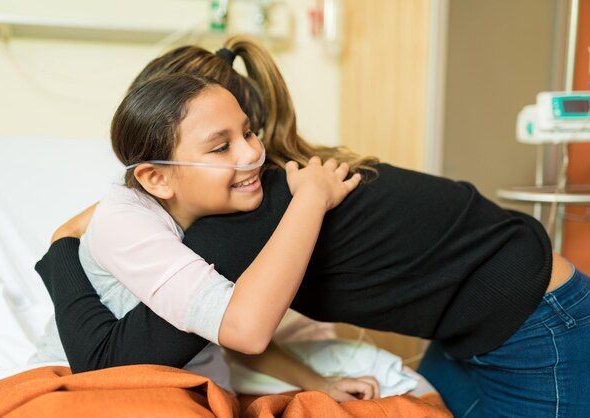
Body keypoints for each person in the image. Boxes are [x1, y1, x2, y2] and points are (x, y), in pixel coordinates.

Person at [36, 36, 590, 417]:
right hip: (484, 321)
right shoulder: (285, 180)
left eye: (239, 136)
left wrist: (61, 246)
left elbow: (117, 360)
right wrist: (316, 383)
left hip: (538, 325)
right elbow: (223, 320)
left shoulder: (245, 215)